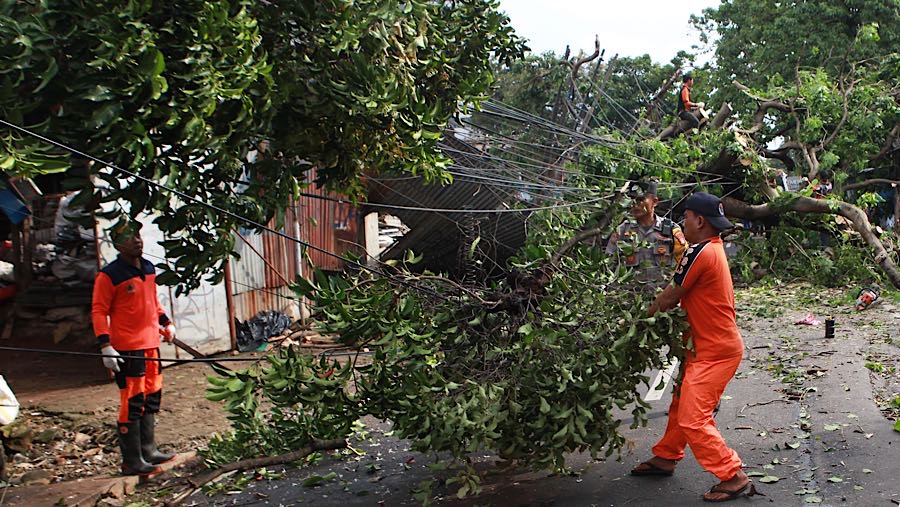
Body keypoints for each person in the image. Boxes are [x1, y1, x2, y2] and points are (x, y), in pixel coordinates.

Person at [632, 192, 760, 503]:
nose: (682, 222)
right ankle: (666, 456)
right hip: (704, 346)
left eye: (686, 216)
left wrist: (634, 324)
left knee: (693, 417)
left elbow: (668, 298)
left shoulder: (700, 253)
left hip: (715, 351)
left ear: (699, 221)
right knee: (681, 403)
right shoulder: (711, 249)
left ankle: (733, 475)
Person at [92, 221, 177, 476]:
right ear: (117, 244)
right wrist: (105, 345)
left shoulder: (149, 269)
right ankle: (131, 461)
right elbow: (98, 311)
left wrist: (166, 323)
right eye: (130, 238)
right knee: (132, 400)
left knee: (152, 396)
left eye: (138, 236)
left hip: (151, 344)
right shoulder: (109, 275)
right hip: (128, 348)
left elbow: (153, 302)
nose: (137, 241)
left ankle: (149, 450)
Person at [606, 180, 687, 290]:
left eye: (640, 200)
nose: (635, 204)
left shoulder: (671, 230)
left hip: (661, 298)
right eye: (632, 200)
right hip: (630, 299)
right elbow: (608, 265)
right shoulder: (622, 231)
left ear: (655, 202)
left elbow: (683, 265)